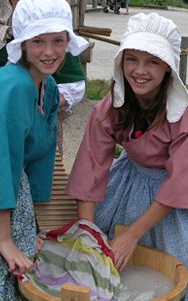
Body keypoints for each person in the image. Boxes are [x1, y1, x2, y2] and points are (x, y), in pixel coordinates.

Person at [0, 0, 89, 300]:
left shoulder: (46, 87)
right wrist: (6, 239)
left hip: (10, 187)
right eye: (38, 41)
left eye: (57, 41)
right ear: (22, 43)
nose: (49, 52)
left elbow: (39, 159)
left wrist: (29, 225)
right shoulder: (13, 88)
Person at [66, 12, 188, 300]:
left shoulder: (182, 116)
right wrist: (88, 233)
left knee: (169, 267)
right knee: (103, 250)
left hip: (170, 198)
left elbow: (180, 182)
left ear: (169, 67)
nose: (140, 70)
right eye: (132, 59)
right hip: (127, 180)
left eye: (152, 61)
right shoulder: (111, 106)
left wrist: (133, 235)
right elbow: (90, 167)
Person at [0, 0, 86, 157]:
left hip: (38, 125)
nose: (48, 51)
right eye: (37, 41)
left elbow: (73, 84)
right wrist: (5, 110)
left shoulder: (50, 10)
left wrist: (34, 108)